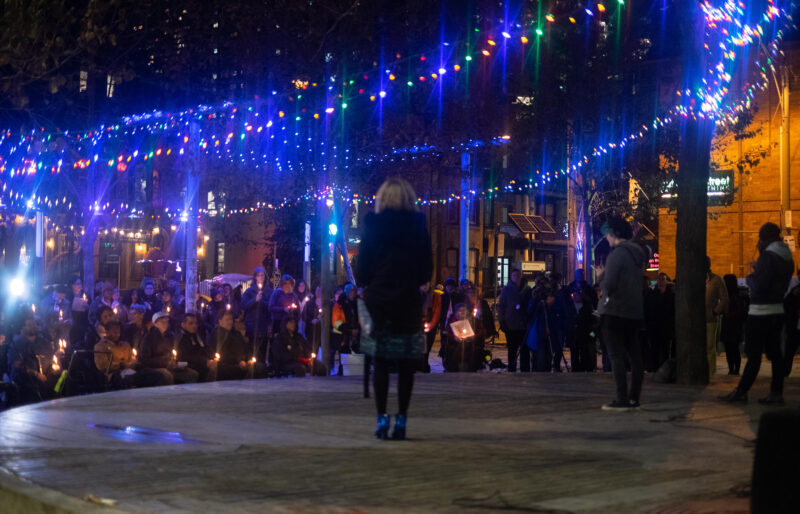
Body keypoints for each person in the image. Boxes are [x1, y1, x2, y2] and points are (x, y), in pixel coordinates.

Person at [357, 177, 433, 440]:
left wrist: (371, 282)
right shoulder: (418, 225)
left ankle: (381, 418)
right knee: (405, 364)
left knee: (380, 361)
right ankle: (401, 418)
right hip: (408, 300)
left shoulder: (372, 225)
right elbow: (426, 269)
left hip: (379, 300)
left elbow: (363, 268)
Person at [720, 222, 794, 404]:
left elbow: (760, 284)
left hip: (760, 312)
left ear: (766, 238)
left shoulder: (768, 256)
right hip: (777, 310)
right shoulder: (787, 257)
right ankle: (776, 393)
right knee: (775, 355)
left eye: (761, 238)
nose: (758, 242)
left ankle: (742, 391)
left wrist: (752, 278)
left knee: (753, 355)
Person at [596, 216, 646, 411]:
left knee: (616, 356)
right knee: (635, 357)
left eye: (608, 234)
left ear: (614, 233)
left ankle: (621, 398)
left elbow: (609, 286)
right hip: (634, 312)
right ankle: (634, 397)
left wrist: (601, 277)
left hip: (615, 312)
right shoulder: (638, 255)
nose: (606, 238)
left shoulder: (616, 255)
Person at [137, 311, 199, 386]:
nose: (165, 323)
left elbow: (173, 353)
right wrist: (164, 361)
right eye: (162, 321)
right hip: (152, 368)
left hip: (168, 367)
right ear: (155, 323)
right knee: (166, 376)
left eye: (166, 321)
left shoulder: (170, 336)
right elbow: (144, 360)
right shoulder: (148, 338)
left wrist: (175, 362)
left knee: (192, 374)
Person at [7, 317, 58, 403]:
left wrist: (56, 365)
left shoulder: (43, 342)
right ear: (23, 327)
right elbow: (17, 366)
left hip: (46, 377)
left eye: (34, 324)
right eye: (29, 325)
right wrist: (36, 374)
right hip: (25, 381)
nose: (33, 327)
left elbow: (52, 359)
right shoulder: (16, 344)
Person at [498, 269, 528, 372]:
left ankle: (525, 368)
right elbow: (501, 306)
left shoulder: (526, 289)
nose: (516, 278)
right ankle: (512, 367)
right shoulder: (506, 290)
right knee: (512, 349)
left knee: (524, 349)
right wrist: (502, 321)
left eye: (518, 275)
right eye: (514, 275)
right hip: (511, 324)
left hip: (524, 324)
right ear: (511, 277)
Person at [644, 273, 675, 371]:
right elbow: (648, 309)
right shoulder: (653, 294)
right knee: (655, 349)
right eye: (659, 279)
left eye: (663, 279)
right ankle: (655, 368)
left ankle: (665, 369)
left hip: (666, 327)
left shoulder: (670, 294)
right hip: (655, 327)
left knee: (665, 350)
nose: (660, 281)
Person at [441, 303, 486, 372]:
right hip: (456, 343)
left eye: (464, 310)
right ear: (456, 313)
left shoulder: (474, 320)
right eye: (460, 310)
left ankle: (471, 367)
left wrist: (474, 337)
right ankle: (453, 367)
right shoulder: (452, 321)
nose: (462, 312)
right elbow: (447, 333)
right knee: (454, 348)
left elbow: (482, 331)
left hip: (471, 343)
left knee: (472, 348)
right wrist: (454, 337)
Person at [241, 267, 272, 364]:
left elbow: (270, 306)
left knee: (262, 350)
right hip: (252, 326)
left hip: (264, 325)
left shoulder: (269, 291)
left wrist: (261, 301)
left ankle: (262, 369)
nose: (260, 277)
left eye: (262, 275)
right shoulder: (249, 292)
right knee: (253, 350)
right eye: (258, 275)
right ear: (255, 277)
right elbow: (244, 305)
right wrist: (254, 300)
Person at [705, 256, 729, 378]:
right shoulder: (695, 279)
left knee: (709, 347)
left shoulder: (716, 280)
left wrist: (715, 312)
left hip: (710, 319)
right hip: (697, 320)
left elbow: (724, 298)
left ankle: (710, 372)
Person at [93, 320, 136, 389]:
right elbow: (102, 366)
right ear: (107, 332)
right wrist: (119, 365)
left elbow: (131, 359)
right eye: (115, 332)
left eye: (119, 332)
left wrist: (133, 363)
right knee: (129, 379)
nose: (118, 334)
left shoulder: (125, 345)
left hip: (130, 371)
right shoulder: (101, 346)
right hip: (113, 375)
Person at [212, 310, 251, 381]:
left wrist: (247, 360)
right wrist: (239, 361)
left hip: (242, 362)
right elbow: (222, 353)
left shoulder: (237, 334)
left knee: (258, 368)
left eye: (231, 319)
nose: (230, 322)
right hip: (229, 364)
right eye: (227, 319)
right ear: (220, 321)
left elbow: (246, 348)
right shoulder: (218, 334)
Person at [176, 313, 216, 382]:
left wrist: (212, 358)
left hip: (199, 362)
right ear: (183, 325)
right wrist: (205, 361)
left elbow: (205, 348)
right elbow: (186, 357)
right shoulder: (181, 338)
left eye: (195, 323)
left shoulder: (197, 336)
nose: (194, 326)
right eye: (191, 323)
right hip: (186, 364)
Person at [564, 289, 596, 372]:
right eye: (573, 295)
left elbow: (591, 320)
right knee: (574, 353)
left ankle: (583, 368)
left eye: (576, 295)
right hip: (573, 334)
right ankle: (575, 369)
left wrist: (591, 333)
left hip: (584, 334)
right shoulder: (570, 306)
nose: (575, 297)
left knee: (584, 353)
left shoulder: (587, 306)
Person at [720, 274, 746, 376]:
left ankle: (735, 369)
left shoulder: (736, 295)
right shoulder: (729, 294)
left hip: (733, 325)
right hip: (730, 325)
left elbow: (741, 311)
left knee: (733, 349)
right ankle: (732, 369)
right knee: (730, 348)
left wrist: (730, 314)